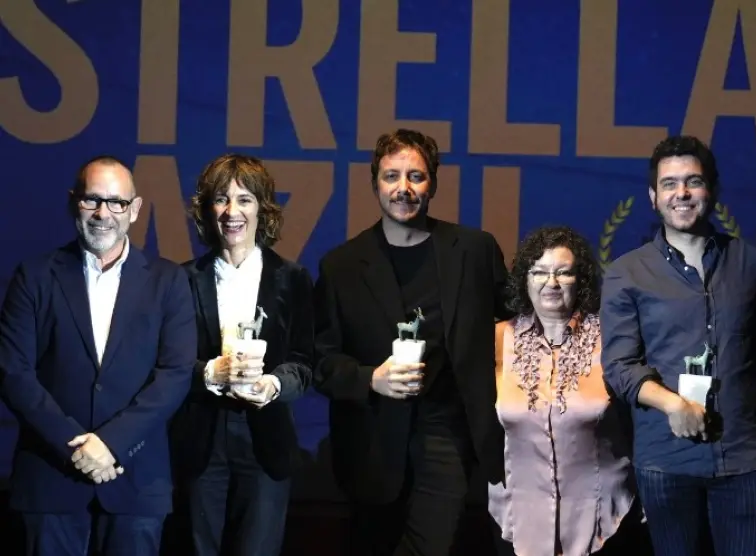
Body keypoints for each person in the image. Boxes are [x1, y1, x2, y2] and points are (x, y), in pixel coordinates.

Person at [312, 128, 515, 555]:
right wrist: (371, 378)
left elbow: (521, 320)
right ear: (375, 184)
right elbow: (322, 363)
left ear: (434, 183)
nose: (403, 188)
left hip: (448, 431)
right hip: (370, 440)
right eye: (391, 176)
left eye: (416, 177)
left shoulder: (475, 250)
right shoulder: (341, 266)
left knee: (431, 544)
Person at [0, 156, 196, 555]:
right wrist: (75, 447)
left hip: (136, 480)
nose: (103, 213)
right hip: (51, 479)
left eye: (116, 202)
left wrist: (111, 444)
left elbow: (174, 374)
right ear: (74, 202)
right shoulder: (34, 276)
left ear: (135, 209)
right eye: (92, 200)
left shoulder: (169, 281)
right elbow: (12, 372)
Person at [601, 136, 756, 556]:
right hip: (665, 458)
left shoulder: (750, 262)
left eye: (692, 182)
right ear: (653, 197)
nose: (681, 193)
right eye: (670, 184)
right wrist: (673, 405)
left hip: (743, 455)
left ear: (710, 189)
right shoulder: (627, 272)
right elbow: (619, 366)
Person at [169, 154, 314, 555]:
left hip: (266, 440)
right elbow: (168, 363)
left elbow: (305, 361)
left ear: (262, 209)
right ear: (207, 209)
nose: (232, 212)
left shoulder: (292, 279)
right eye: (221, 199)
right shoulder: (182, 280)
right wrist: (209, 373)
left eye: (245, 199)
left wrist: (272, 383)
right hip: (200, 440)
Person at [489, 226, 641, 556]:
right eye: (539, 272)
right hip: (517, 520)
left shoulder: (612, 337)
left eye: (563, 273)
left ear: (581, 280)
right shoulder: (497, 339)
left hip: (603, 519)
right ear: (524, 279)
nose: (551, 283)